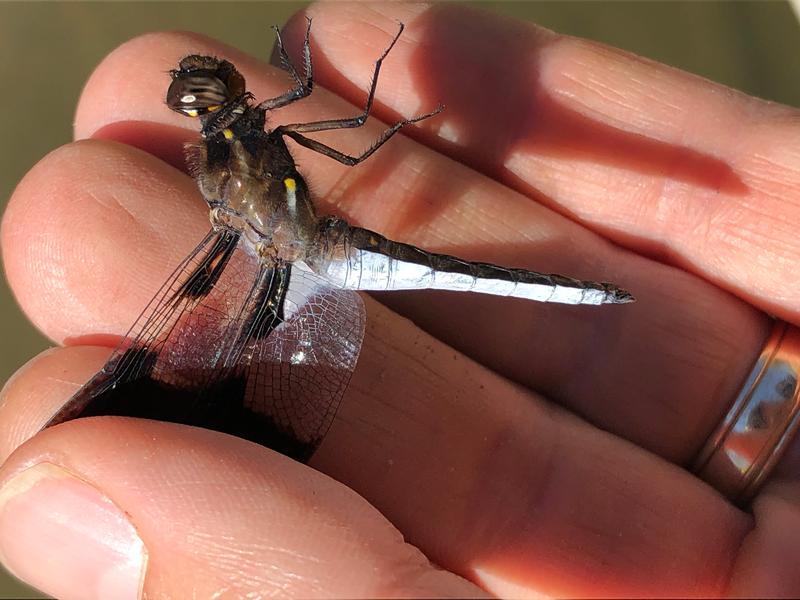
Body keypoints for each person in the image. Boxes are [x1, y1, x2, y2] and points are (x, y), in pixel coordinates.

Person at [1, 3, 798, 598]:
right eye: (201, 98)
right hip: (310, 252)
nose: (210, 97)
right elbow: (348, 125)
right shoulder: (245, 145)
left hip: (306, 247)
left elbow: (349, 125)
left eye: (211, 91)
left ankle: (598, 297)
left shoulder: (236, 147)